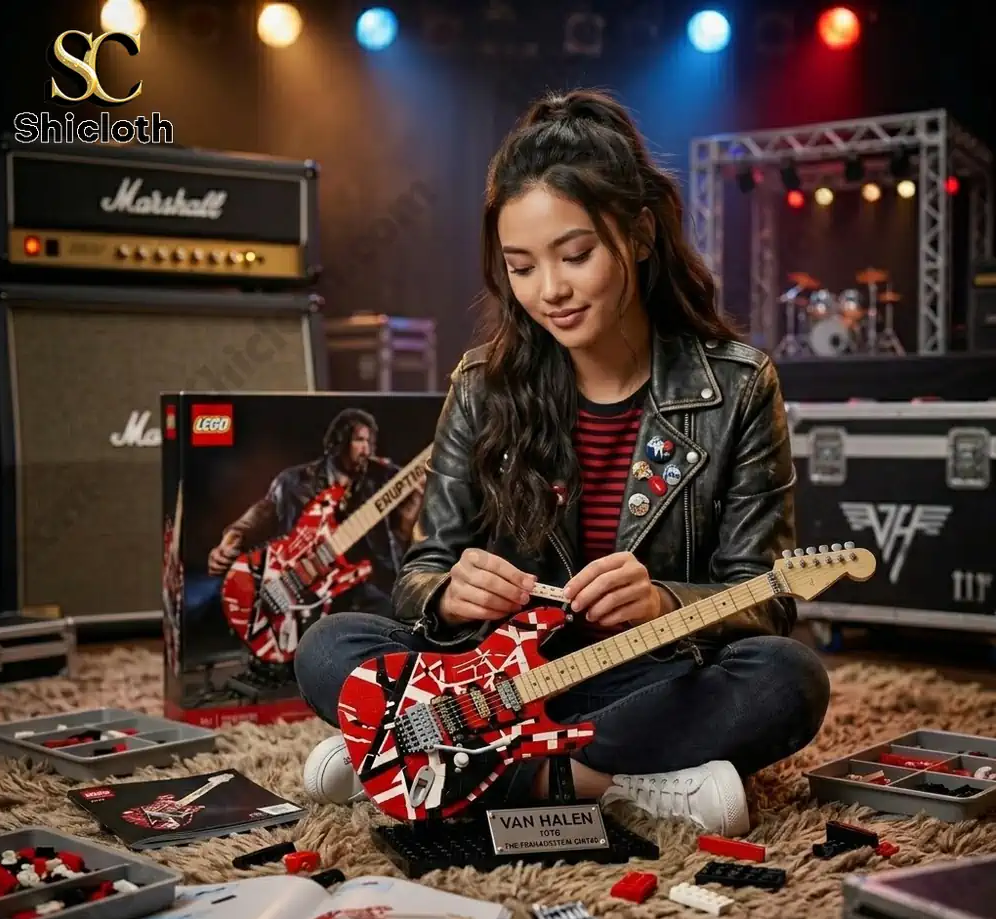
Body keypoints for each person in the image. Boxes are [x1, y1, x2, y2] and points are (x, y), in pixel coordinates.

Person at [294, 89, 831, 835]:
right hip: (490, 680)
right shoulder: (482, 386)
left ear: (639, 235)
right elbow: (418, 575)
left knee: (788, 679)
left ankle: (430, 765)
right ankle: (614, 783)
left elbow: (765, 599)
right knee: (327, 646)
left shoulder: (738, 386)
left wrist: (664, 603)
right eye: (521, 267)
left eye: (576, 255)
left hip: (642, 678)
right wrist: (448, 593)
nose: (550, 291)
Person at [207, 408, 422, 618]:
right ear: (337, 443)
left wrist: (407, 526)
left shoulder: (381, 481)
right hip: (302, 597)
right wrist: (232, 538)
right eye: (359, 440)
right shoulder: (294, 482)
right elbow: (260, 515)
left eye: (370, 443)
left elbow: (396, 553)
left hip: (361, 595)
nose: (367, 450)